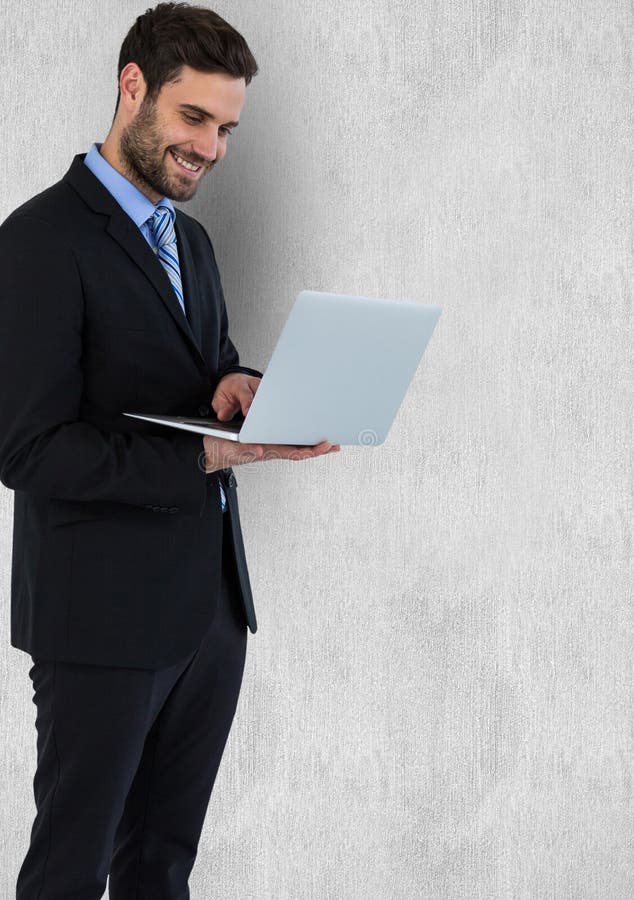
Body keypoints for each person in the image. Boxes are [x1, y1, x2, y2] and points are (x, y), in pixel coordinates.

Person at [0, 3, 340, 897]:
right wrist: (200, 459)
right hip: (100, 622)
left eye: (226, 128)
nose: (212, 148)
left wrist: (235, 388)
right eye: (194, 119)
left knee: (162, 866)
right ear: (132, 87)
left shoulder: (191, 239)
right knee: (71, 870)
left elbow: (194, 371)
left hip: (208, 615)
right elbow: (26, 449)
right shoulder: (37, 243)